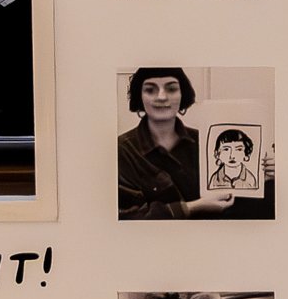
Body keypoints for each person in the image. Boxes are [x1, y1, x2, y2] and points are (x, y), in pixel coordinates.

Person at [116, 69, 274, 219]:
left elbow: (229, 197)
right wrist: (192, 207)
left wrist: (262, 178)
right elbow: (126, 216)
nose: (162, 96)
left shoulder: (203, 140)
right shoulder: (123, 150)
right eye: (150, 90)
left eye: (171, 89)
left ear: (182, 95)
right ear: (139, 97)